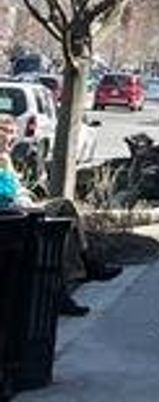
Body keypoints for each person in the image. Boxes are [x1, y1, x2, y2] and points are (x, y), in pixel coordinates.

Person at [0, 112, 117, 316]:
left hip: (22, 210)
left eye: (14, 132)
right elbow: (8, 194)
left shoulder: (5, 159)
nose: (12, 137)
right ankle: (85, 266)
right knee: (62, 212)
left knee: (63, 221)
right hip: (12, 216)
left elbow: (17, 190)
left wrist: (27, 193)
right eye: (7, 132)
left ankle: (83, 267)